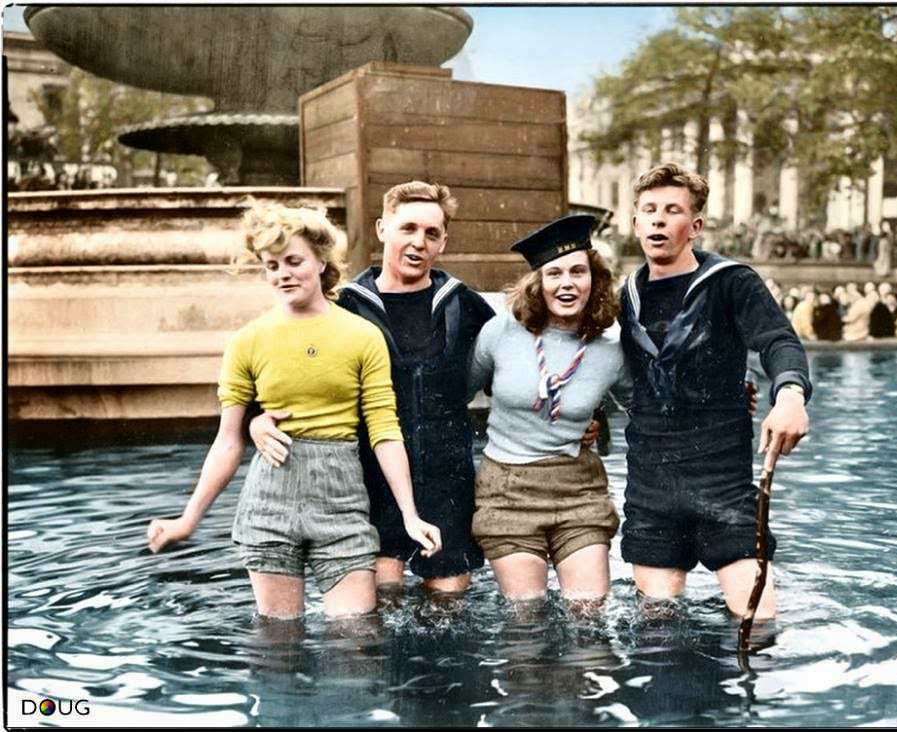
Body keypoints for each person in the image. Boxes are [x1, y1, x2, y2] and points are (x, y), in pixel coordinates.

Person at [146, 202, 440, 618]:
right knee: (278, 644)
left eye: (293, 261)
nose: (283, 273)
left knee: (355, 640)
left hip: (341, 504)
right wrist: (187, 520)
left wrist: (410, 515)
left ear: (321, 260)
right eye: (271, 265)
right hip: (269, 505)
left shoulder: (362, 335)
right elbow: (227, 441)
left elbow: (384, 431)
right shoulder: (247, 341)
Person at [249, 182, 496, 595]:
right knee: (380, 609)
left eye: (431, 233)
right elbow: (278, 373)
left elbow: (519, 365)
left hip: (446, 484)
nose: (418, 242)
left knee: (449, 607)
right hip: (366, 486)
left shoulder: (463, 305)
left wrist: (588, 419)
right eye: (408, 228)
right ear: (383, 229)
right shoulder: (343, 307)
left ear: (443, 242)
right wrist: (256, 422)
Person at [618, 163, 811, 620]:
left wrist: (789, 396)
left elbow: (778, 341)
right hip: (651, 482)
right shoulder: (624, 295)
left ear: (696, 226)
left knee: (758, 625)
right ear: (636, 224)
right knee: (657, 635)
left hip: (721, 479)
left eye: (672, 210)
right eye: (650, 210)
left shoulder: (731, 282)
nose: (659, 219)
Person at [468, 214, 631, 602]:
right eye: (554, 273)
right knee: (527, 619)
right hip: (507, 490)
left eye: (578, 271)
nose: (567, 283)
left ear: (595, 280)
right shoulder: (501, 332)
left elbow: (648, 410)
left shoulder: (612, 348)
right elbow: (452, 397)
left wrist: (731, 401)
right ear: (538, 284)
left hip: (579, 491)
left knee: (588, 613)